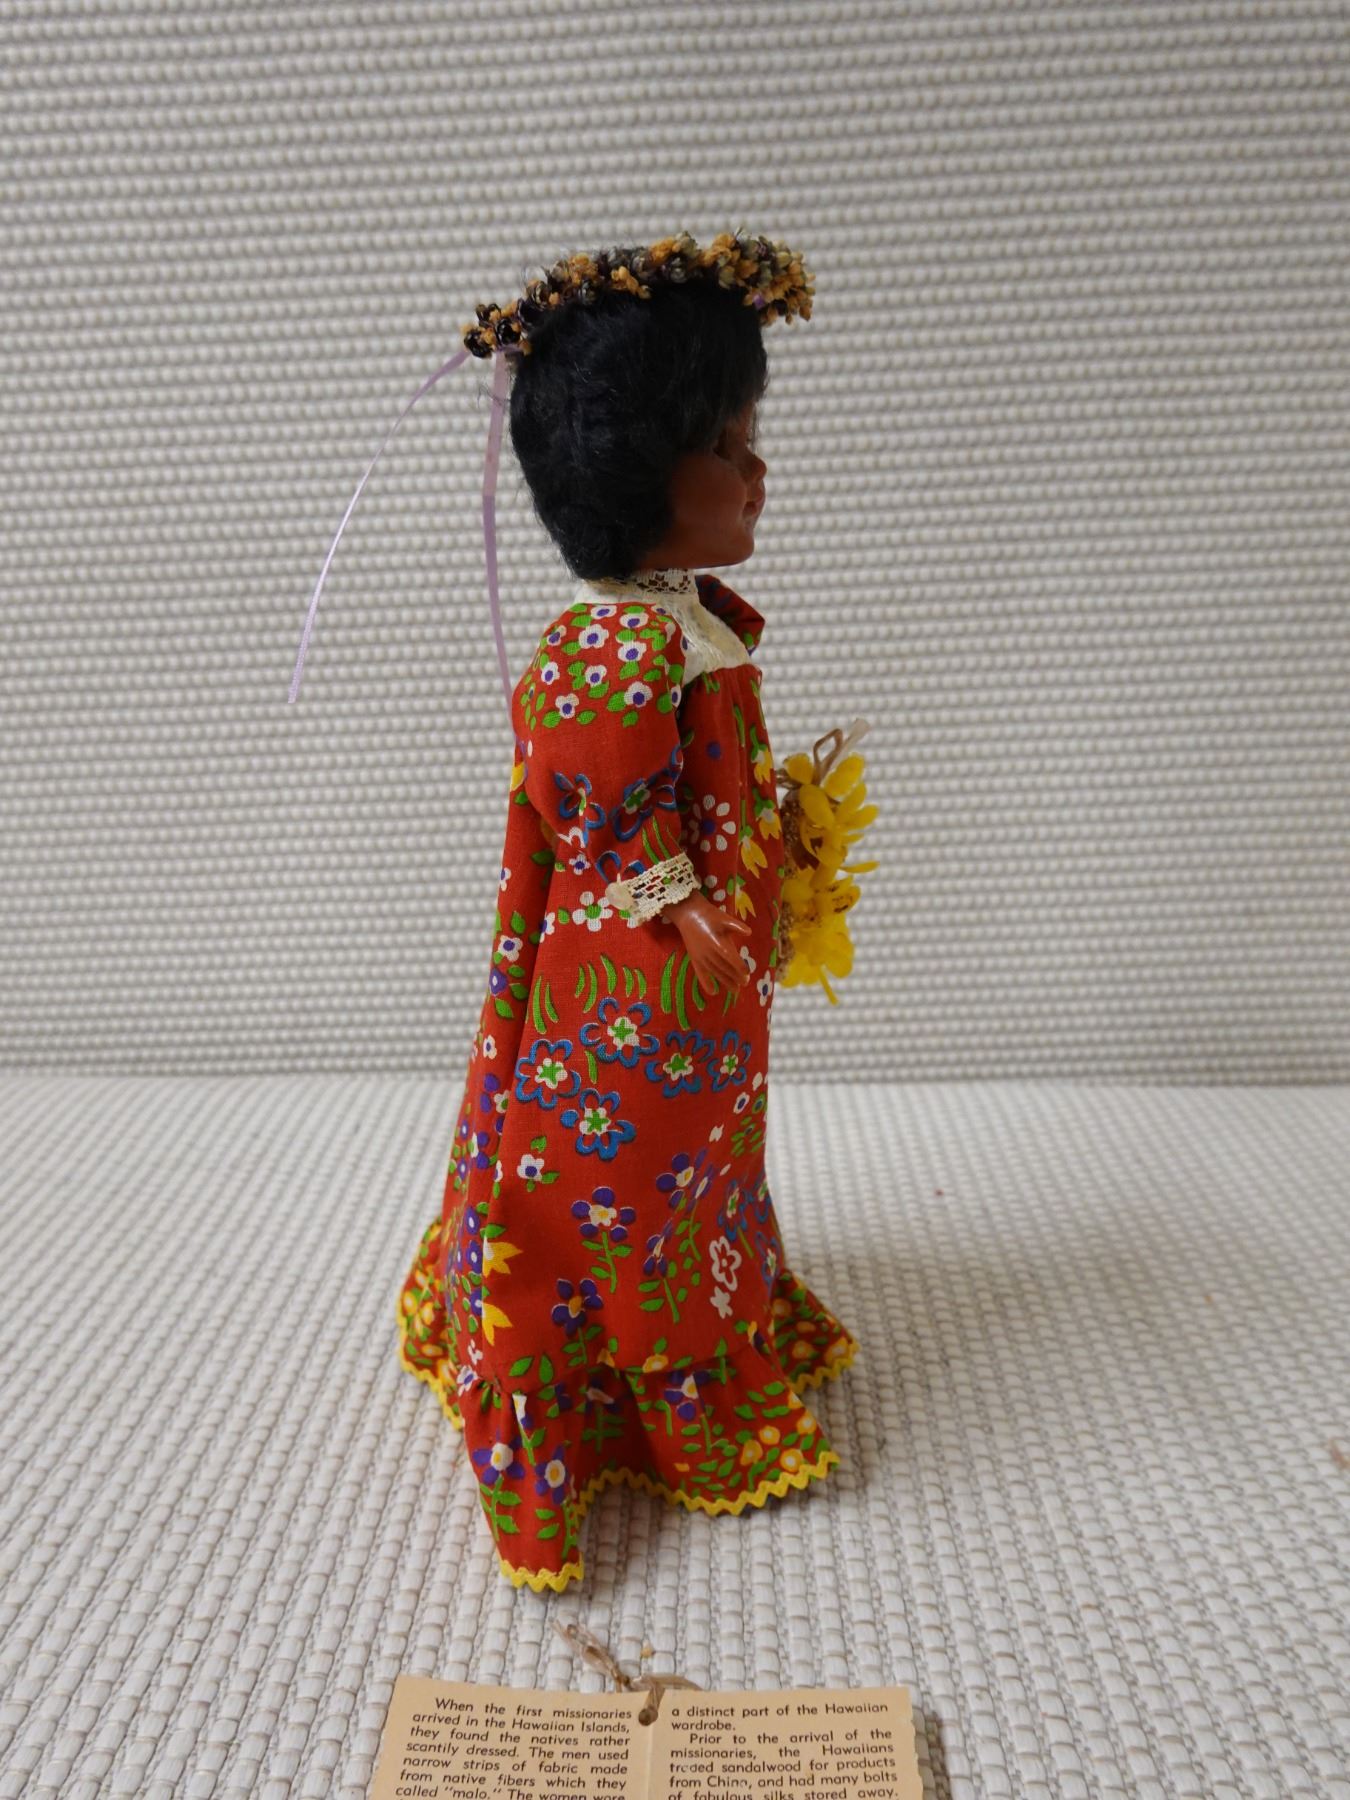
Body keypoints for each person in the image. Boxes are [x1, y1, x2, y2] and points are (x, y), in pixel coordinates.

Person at [395, 233, 860, 1592]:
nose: (756, 468)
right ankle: (610, 1359)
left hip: (699, 978)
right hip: (634, 979)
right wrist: (677, 897)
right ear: (631, 470)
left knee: (697, 1147)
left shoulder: (686, 621)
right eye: (724, 442)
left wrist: (776, 846)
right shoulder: (613, 640)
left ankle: (694, 1308)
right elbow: (590, 775)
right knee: (627, 1159)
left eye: (748, 434)